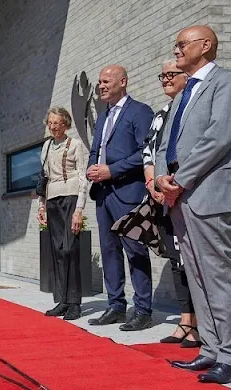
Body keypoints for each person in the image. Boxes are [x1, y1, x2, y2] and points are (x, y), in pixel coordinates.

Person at [156, 25, 231, 384]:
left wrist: (179, 179)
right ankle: (210, 349)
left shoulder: (224, 82)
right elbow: (164, 144)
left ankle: (228, 353)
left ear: (206, 45)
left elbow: (219, 136)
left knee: (217, 276)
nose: (176, 50)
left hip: (207, 195)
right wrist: (159, 178)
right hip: (179, 198)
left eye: (181, 44)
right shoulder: (184, 92)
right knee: (197, 278)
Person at [86, 65, 155, 331]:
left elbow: (145, 152)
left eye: (106, 81)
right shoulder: (103, 116)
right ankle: (115, 306)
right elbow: (96, 149)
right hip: (103, 193)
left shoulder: (140, 111)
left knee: (135, 250)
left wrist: (111, 170)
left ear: (122, 82)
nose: (101, 86)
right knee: (109, 251)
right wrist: (94, 167)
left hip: (127, 192)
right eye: (99, 82)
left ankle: (143, 310)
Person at [143, 61, 200, 347]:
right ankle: (185, 320)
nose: (165, 79)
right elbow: (149, 152)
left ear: (187, 77)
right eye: (161, 75)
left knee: (195, 262)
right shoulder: (160, 115)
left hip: (185, 193)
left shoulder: (191, 107)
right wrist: (153, 183)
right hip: (162, 196)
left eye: (170, 74)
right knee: (177, 261)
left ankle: (202, 326)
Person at [37, 107, 89, 321]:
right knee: (57, 252)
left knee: (70, 249)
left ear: (65, 124)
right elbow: (43, 177)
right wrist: (41, 206)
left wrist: (79, 209)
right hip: (52, 200)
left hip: (70, 198)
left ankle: (75, 302)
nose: (52, 126)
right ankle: (62, 300)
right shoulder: (47, 146)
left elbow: (83, 178)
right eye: (50, 122)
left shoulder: (75, 145)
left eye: (56, 123)